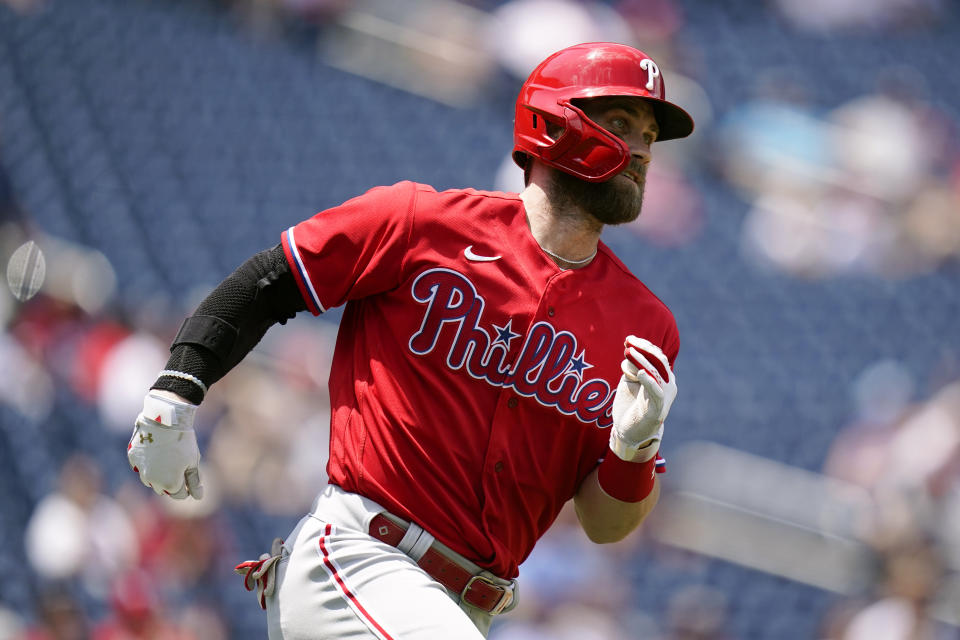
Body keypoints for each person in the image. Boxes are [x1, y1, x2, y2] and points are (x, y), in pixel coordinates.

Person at [126, 41, 694, 639]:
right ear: (555, 121)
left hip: (471, 608)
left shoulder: (644, 325)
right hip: (359, 562)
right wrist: (176, 392)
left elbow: (606, 524)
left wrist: (632, 453)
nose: (640, 150)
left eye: (651, 136)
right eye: (622, 123)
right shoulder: (421, 223)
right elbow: (270, 282)